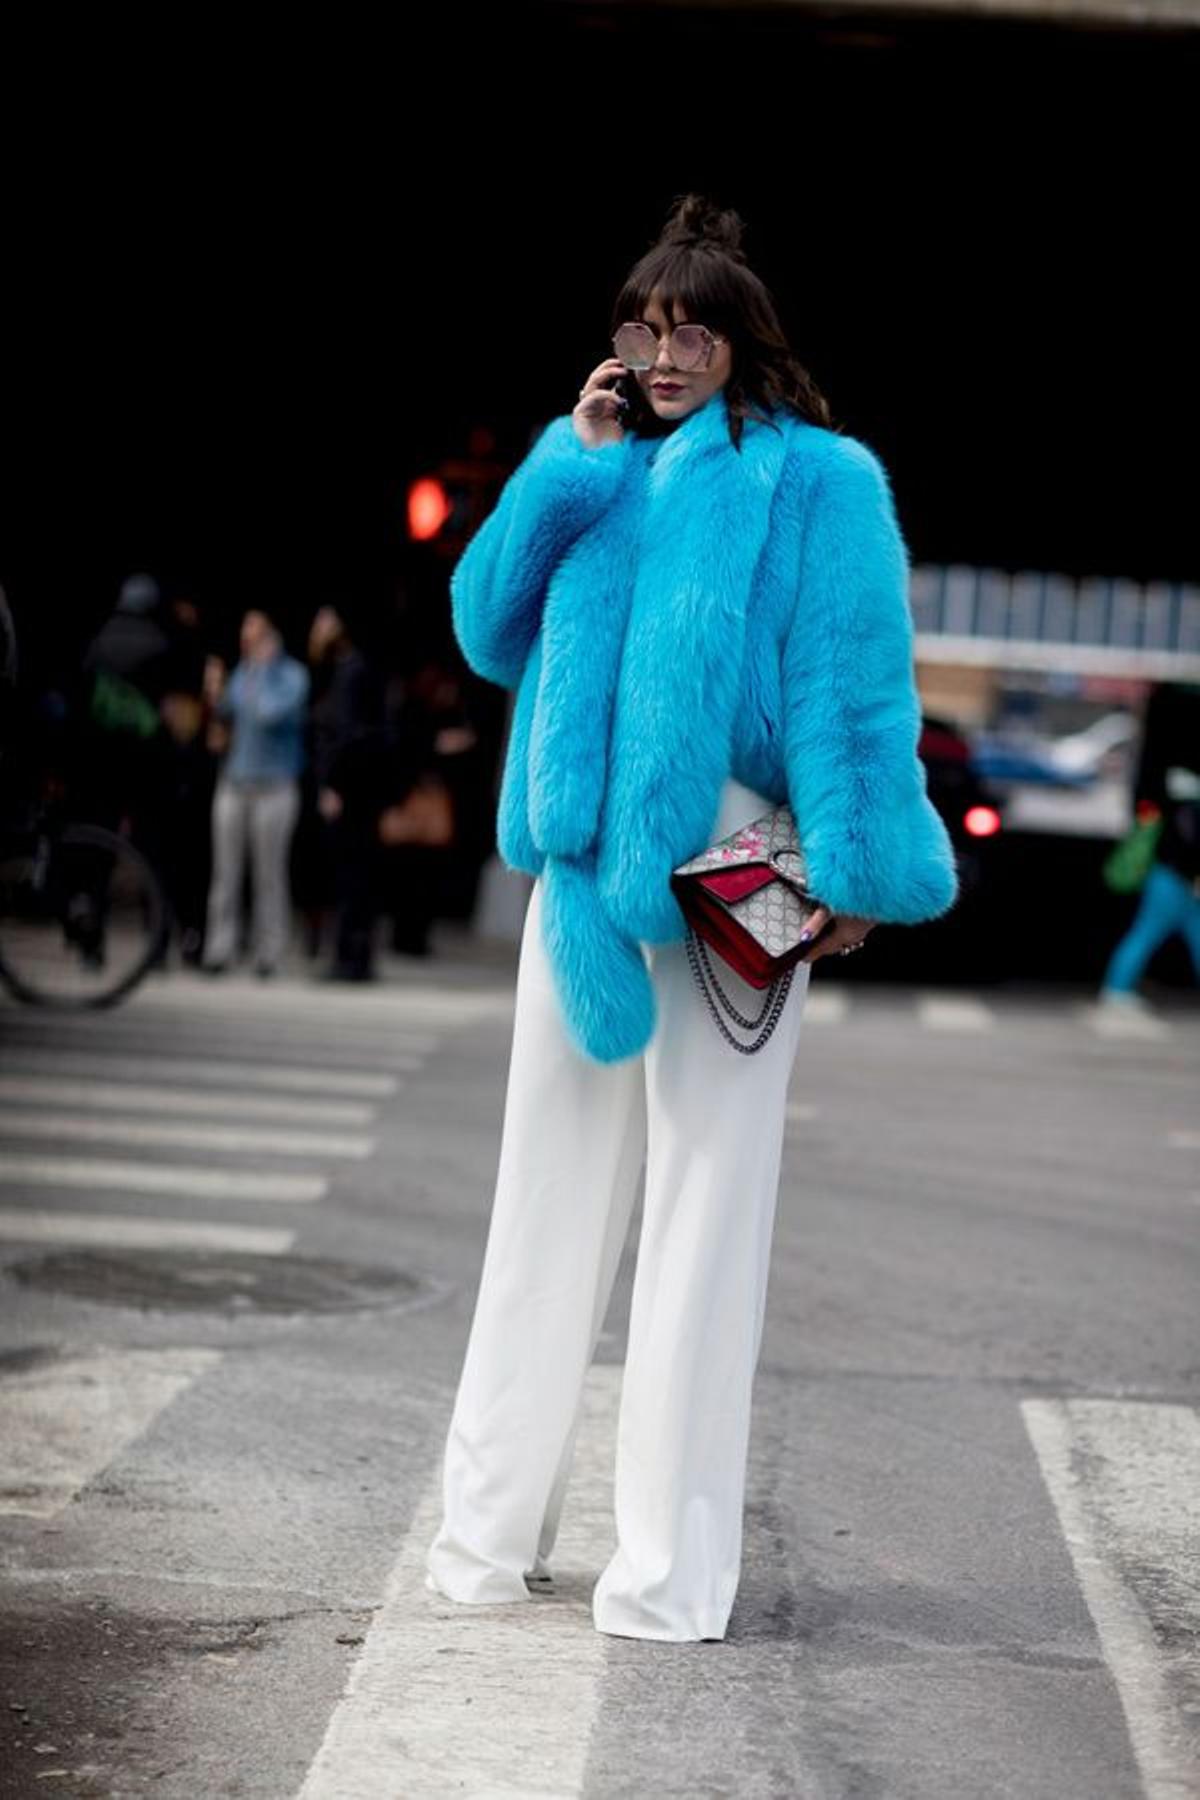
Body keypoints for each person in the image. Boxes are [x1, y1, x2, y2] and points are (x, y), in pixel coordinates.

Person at [424, 193, 959, 1643]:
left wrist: (854, 875)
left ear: (740, 339)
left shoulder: (818, 480)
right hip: (584, 887)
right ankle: (482, 1542)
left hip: (734, 873)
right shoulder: (596, 466)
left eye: (692, 328)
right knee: (542, 1211)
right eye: (641, 326)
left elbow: (858, 685)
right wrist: (561, 468)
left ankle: (665, 1576)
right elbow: (484, 628)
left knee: (707, 1220)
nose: (663, 353)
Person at [201, 609, 309, 978]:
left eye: (256, 632)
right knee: (226, 872)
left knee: (269, 873)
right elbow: (225, 716)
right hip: (235, 781)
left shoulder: (292, 676)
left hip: (275, 787)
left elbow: (268, 713)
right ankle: (220, 947)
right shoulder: (241, 673)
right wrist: (215, 692)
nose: (249, 640)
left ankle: (270, 952)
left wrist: (262, 670)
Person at [1098, 681, 1200, 1009]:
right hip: (1174, 873)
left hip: (1171, 871)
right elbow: (1184, 836)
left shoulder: (1172, 785)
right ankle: (1116, 990)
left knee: (1176, 931)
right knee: (1148, 931)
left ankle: (1117, 988)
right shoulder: (1185, 794)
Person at [305, 603, 388, 981]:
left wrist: (333, 784)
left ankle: (351, 957)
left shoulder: (351, 673)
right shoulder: (345, 672)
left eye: (325, 621)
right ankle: (352, 955)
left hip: (352, 791)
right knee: (353, 875)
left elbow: (347, 735)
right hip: (357, 788)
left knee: (352, 875)